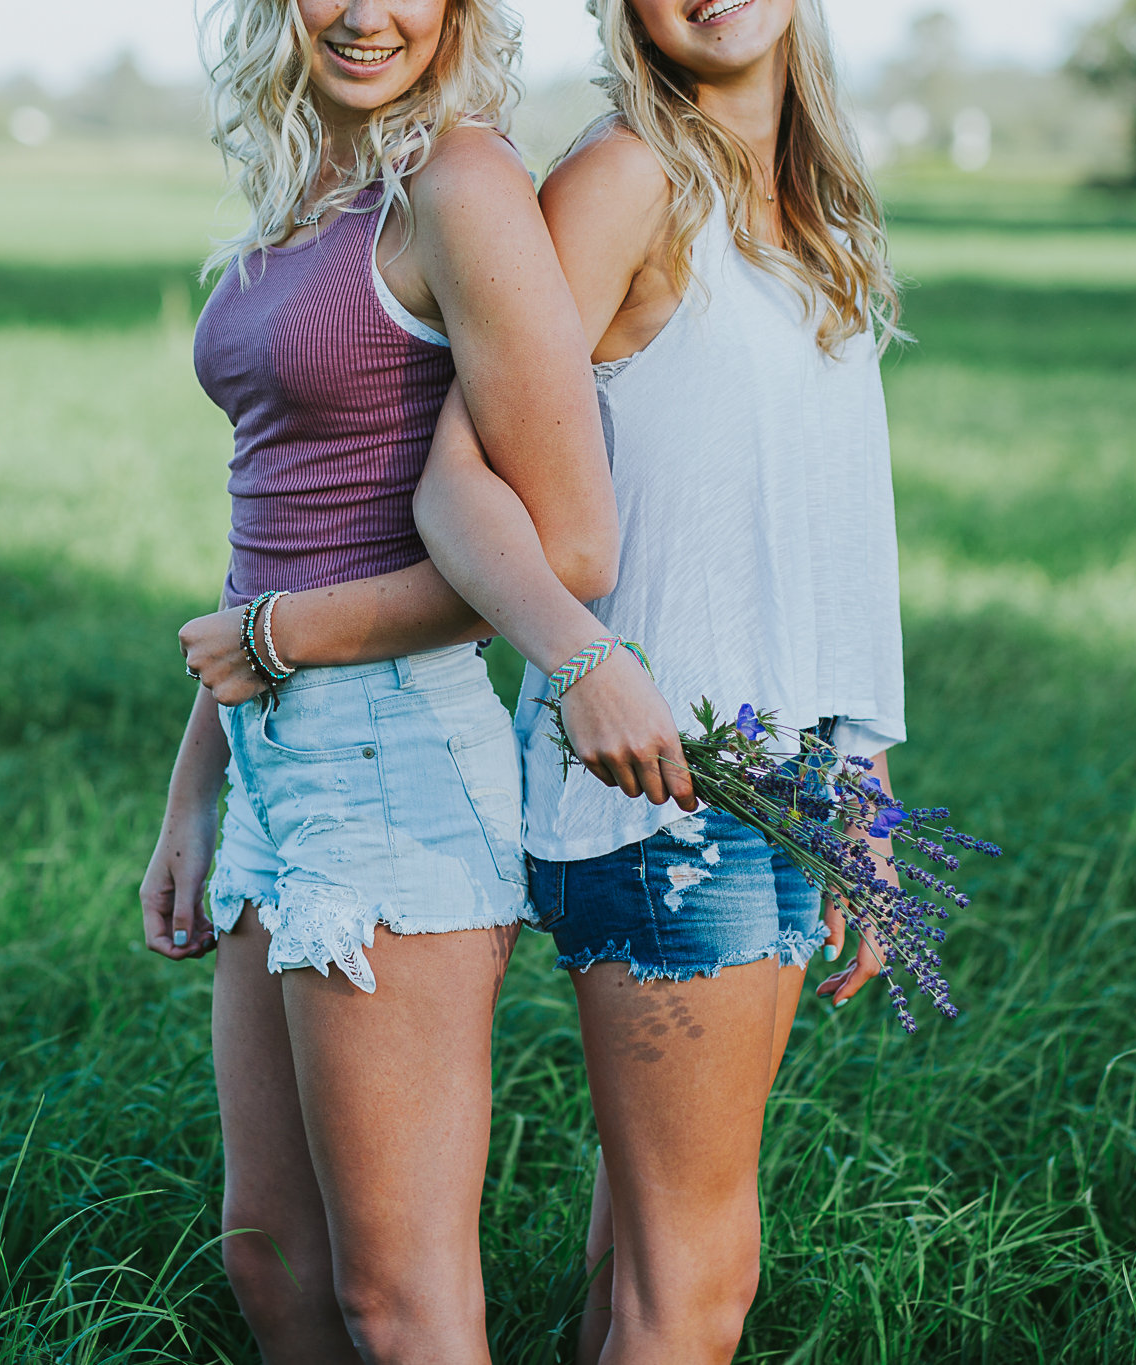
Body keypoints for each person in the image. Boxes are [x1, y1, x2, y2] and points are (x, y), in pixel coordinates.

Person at [134, 0, 692, 1356]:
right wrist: (193, 785)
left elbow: (566, 540)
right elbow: (270, 527)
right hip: (275, 753)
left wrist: (277, 643)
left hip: (390, 753)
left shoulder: (463, 182)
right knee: (272, 1261)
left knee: (400, 1298)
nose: (368, 11)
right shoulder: (308, 187)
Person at [410, 0, 909, 1353]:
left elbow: (826, 522)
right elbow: (457, 484)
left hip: (783, 774)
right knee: (698, 1284)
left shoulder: (815, 217)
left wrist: (858, 764)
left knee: (646, 1254)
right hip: (658, 787)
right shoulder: (630, 177)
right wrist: (578, 659)